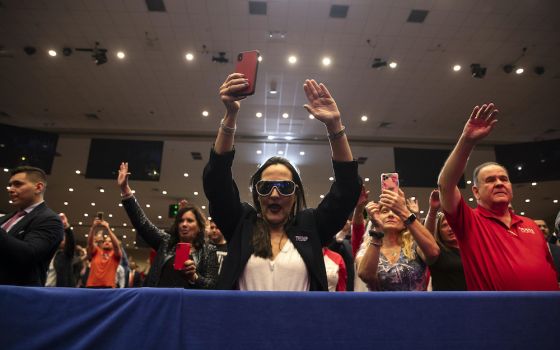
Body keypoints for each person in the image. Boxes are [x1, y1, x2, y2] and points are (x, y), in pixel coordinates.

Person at [203, 74, 361, 291]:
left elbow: (347, 188)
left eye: (285, 187)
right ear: (257, 194)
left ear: (296, 193)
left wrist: (335, 126)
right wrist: (230, 115)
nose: (275, 194)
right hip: (242, 324)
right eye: (266, 187)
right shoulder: (241, 224)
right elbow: (217, 182)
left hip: (300, 324)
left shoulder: (311, 226)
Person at [438, 103, 557, 291]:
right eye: (491, 180)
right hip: (498, 315)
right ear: (476, 192)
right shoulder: (469, 222)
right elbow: (445, 185)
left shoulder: (531, 225)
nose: (499, 183)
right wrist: (466, 142)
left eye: (504, 179)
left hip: (547, 314)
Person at [119, 163, 219, 288]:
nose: (184, 224)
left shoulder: (208, 251)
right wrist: (125, 190)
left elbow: (212, 285)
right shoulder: (165, 242)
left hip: (188, 304)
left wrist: (195, 277)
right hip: (159, 302)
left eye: (189, 221)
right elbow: (142, 223)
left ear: (199, 226)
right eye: (181, 221)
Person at [357, 190, 440, 291]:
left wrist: (404, 211)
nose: (391, 214)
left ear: (404, 221)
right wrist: (377, 230)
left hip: (416, 306)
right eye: (385, 211)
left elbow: (434, 253)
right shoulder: (367, 248)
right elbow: (366, 276)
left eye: (396, 212)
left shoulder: (415, 245)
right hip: (379, 306)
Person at [0, 166, 64, 286]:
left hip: (17, 294)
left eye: (17, 184)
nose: (10, 189)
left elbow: (29, 254)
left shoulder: (50, 219)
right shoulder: (5, 218)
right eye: (10, 185)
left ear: (38, 187)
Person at [424, 190, 467, 291]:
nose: (450, 228)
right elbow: (426, 237)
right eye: (444, 226)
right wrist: (433, 210)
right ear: (438, 231)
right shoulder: (437, 252)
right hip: (445, 303)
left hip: (473, 301)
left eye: (452, 224)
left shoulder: (468, 250)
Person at [86, 219, 122, 288]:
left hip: (108, 287)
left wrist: (108, 229)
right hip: (92, 286)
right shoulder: (96, 251)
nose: (107, 242)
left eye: (110, 241)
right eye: (105, 240)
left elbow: (117, 246)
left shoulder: (115, 255)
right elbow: (90, 243)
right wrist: (93, 228)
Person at [45, 213, 77, 287]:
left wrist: (66, 226)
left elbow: (71, 243)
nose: (61, 238)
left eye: (63, 237)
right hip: (44, 290)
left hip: (59, 292)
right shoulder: (46, 254)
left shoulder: (65, 255)